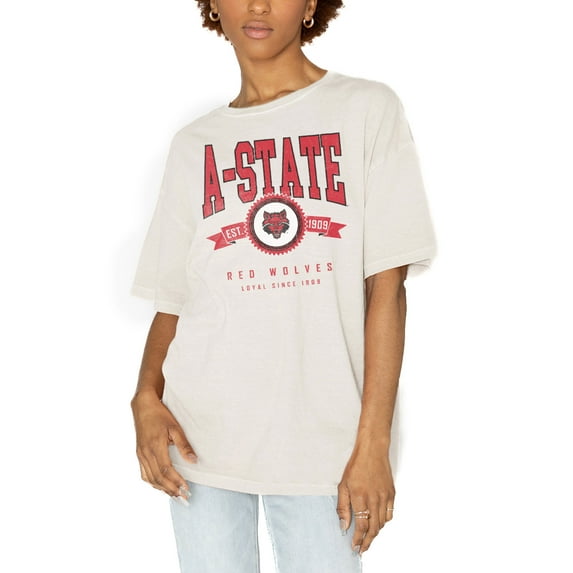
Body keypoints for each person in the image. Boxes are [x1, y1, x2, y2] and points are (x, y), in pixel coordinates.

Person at [130, 0, 436, 571]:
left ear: (312, 4)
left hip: (327, 449)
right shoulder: (194, 144)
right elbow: (174, 300)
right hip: (200, 444)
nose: (258, 5)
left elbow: (387, 288)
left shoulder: (366, 109)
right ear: (212, 6)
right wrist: (144, 396)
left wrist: (373, 443)